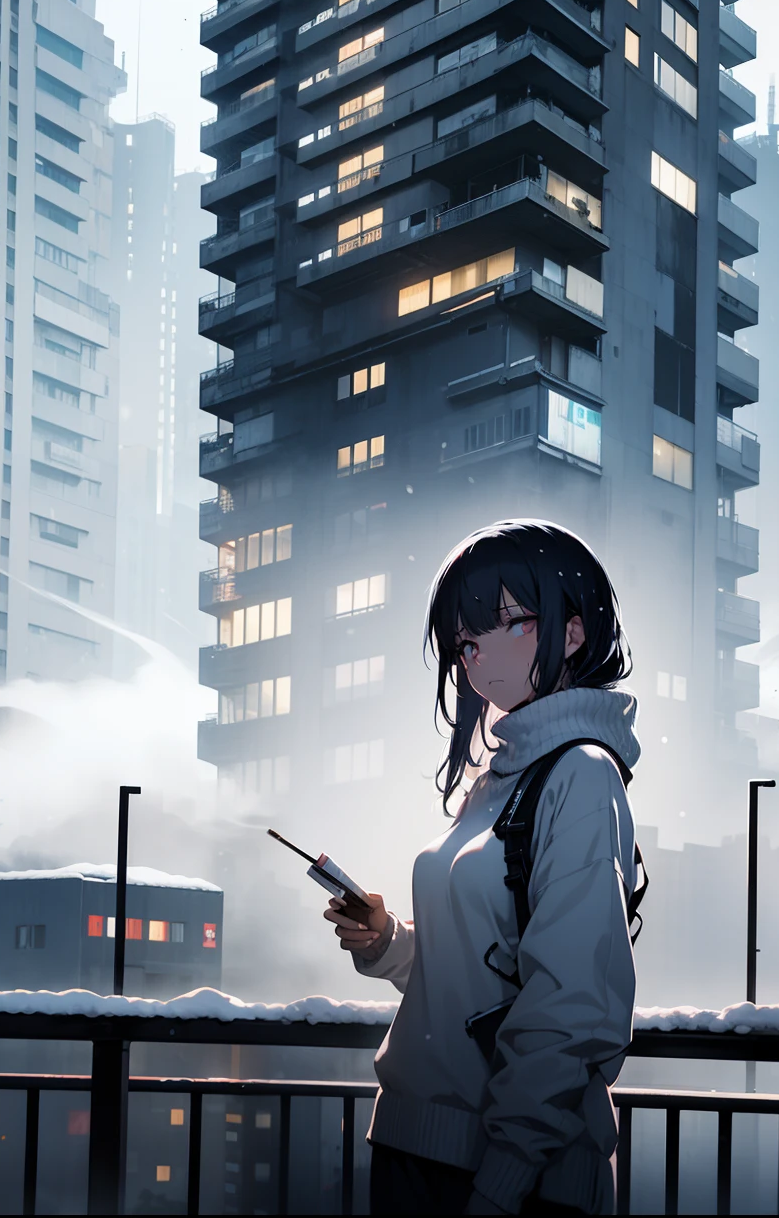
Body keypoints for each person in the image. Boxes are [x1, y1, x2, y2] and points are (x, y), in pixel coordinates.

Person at [322, 519, 643, 1215]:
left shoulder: (581, 775)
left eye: (502, 625)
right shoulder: (501, 778)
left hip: (504, 1175)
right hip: (417, 1146)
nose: (476, 654)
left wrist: (503, 1179)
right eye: (466, 639)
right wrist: (388, 942)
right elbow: (480, 968)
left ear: (573, 632)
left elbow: (574, 1002)